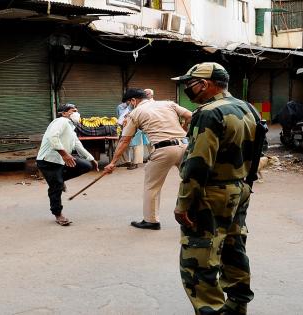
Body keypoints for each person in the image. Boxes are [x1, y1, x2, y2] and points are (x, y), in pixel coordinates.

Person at [173, 62, 258, 314]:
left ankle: (211, 309)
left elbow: (198, 164)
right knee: (233, 248)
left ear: (206, 84)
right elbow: (259, 153)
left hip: (211, 194)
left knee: (198, 262)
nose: (188, 89)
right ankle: (237, 306)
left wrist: (183, 203)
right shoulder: (247, 108)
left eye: (190, 84)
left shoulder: (209, 113)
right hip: (239, 189)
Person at [104, 88, 192, 230]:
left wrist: (113, 162)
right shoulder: (168, 104)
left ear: (133, 100)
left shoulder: (135, 113)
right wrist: (184, 127)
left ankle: (151, 220)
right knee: (191, 181)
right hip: (185, 146)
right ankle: (196, 217)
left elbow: (125, 140)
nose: (129, 106)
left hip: (163, 149)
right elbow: (191, 116)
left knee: (152, 186)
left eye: (129, 103)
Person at [36, 103, 99, 226]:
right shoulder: (61, 121)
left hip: (61, 160)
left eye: (76, 110)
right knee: (56, 187)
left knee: (85, 165)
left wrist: (91, 159)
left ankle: (59, 179)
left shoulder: (71, 127)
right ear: (64, 113)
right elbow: (52, 137)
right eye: (73, 110)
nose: (76, 113)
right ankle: (58, 214)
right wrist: (64, 154)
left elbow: (77, 144)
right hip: (48, 160)